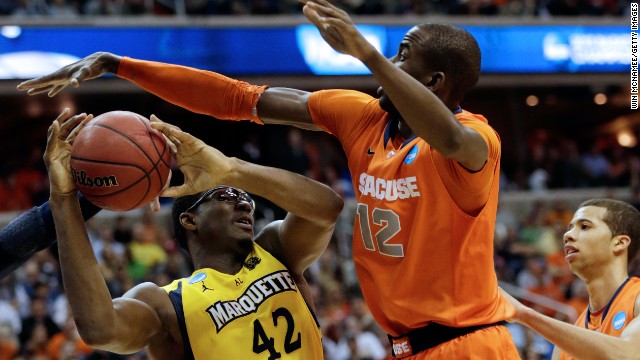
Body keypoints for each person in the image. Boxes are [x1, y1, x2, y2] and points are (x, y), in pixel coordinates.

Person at [17, 0, 518, 357]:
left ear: (432, 82)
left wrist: (365, 52)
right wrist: (121, 65)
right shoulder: (363, 116)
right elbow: (239, 98)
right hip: (407, 345)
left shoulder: (478, 143)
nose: (388, 65)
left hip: (468, 341)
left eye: (401, 56)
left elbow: (448, 140)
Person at [43, 110, 343, 359]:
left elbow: (327, 208)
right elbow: (100, 328)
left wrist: (231, 171)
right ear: (190, 219)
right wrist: (64, 199)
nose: (244, 204)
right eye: (225, 195)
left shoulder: (276, 250)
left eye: (247, 199)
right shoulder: (166, 304)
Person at [501, 198, 640, 360]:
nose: (567, 235)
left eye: (585, 226)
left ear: (619, 243)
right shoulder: (565, 345)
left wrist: (523, 314)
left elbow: (628, 355)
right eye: (570, 228)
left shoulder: (636, 300)